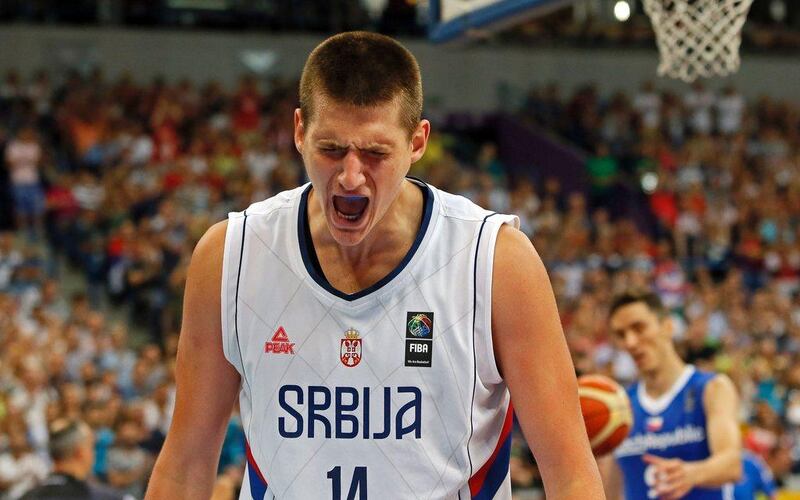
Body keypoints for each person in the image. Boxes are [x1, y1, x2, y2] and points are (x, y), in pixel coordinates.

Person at [147, 31, 603, 499]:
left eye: (374, 153)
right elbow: (185, 465)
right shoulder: (232, 256)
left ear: (417, 142)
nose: (350, 175)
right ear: (299, 131)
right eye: (330, 149)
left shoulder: (494, 261)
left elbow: (570, 475)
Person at [599, 289, 742, 499]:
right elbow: (610, 492)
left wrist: (692, 473)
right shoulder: (619, 406)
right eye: (621, 335)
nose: (630, 342)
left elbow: (732, 465)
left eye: (638, 328)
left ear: (667, 325)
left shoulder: (712, 388)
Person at [21, 419, 128, 500]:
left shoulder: (27, 496)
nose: (93, 453)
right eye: (91, 446)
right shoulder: (100, 496)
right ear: (80, 452)